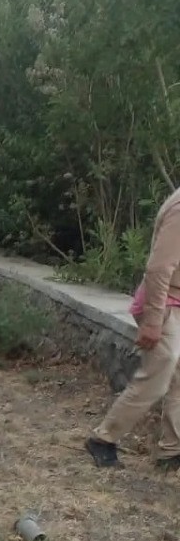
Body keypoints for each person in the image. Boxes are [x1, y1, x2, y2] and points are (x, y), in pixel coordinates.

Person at [87, 187, 180, 470]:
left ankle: (172, 451)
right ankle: (103, 439)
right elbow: (159, 268)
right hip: (162, 303)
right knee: (157, 375)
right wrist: (153, 321)